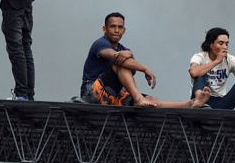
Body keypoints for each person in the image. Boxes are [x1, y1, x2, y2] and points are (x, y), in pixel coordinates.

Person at [81, 13, 209, 109]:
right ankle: (138, 99)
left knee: (150, 100)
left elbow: (131, 70)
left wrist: (130, 55)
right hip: (92, 93)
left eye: (120, 27)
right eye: (112, 26)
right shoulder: (100, 44)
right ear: (104, 29)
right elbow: (119, 60)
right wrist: (144, 68)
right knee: (121, 64)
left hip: (114, 95)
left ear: (124, 30)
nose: (116, 30)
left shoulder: (124, 50)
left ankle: (190, 104)